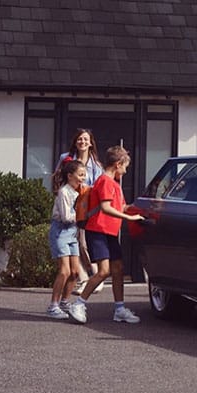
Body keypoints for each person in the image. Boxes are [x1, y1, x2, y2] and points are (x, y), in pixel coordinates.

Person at [67, 145, 145, 324]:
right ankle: (78, 304)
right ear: (118, 164)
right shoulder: (105, 182)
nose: (125, 171)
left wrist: (142, 208)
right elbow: (105, 207)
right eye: (125, 166)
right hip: (98, 231)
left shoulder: (115, 185)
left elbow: (122, 206)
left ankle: (119, 309)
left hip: (109, 232)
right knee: (103, 271)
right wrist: (129, 218)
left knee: (118, 269)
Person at [56, 129, 104, 295]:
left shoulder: (96, 165)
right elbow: (57, 177)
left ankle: (96, 277)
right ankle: (85, 279)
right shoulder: (66, 158)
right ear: (75, 141)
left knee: (83, 244)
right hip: (68, 204)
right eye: (79, 139)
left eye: (86, 139)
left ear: (91, 143)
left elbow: (100, 187)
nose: (82, 142)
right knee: (74, 244)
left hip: (86, 207)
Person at [46, 159, 87, 319]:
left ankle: (64, 301)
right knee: (64, 271)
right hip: (60, 232)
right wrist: (83, 214)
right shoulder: (64, 192)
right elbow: (65, 217)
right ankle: (53, 305)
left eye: (84, 175)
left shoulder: (79, 192)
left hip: (72, 233)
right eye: (80, 175)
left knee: (75, 272)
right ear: (70, 176)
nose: (83, 178)